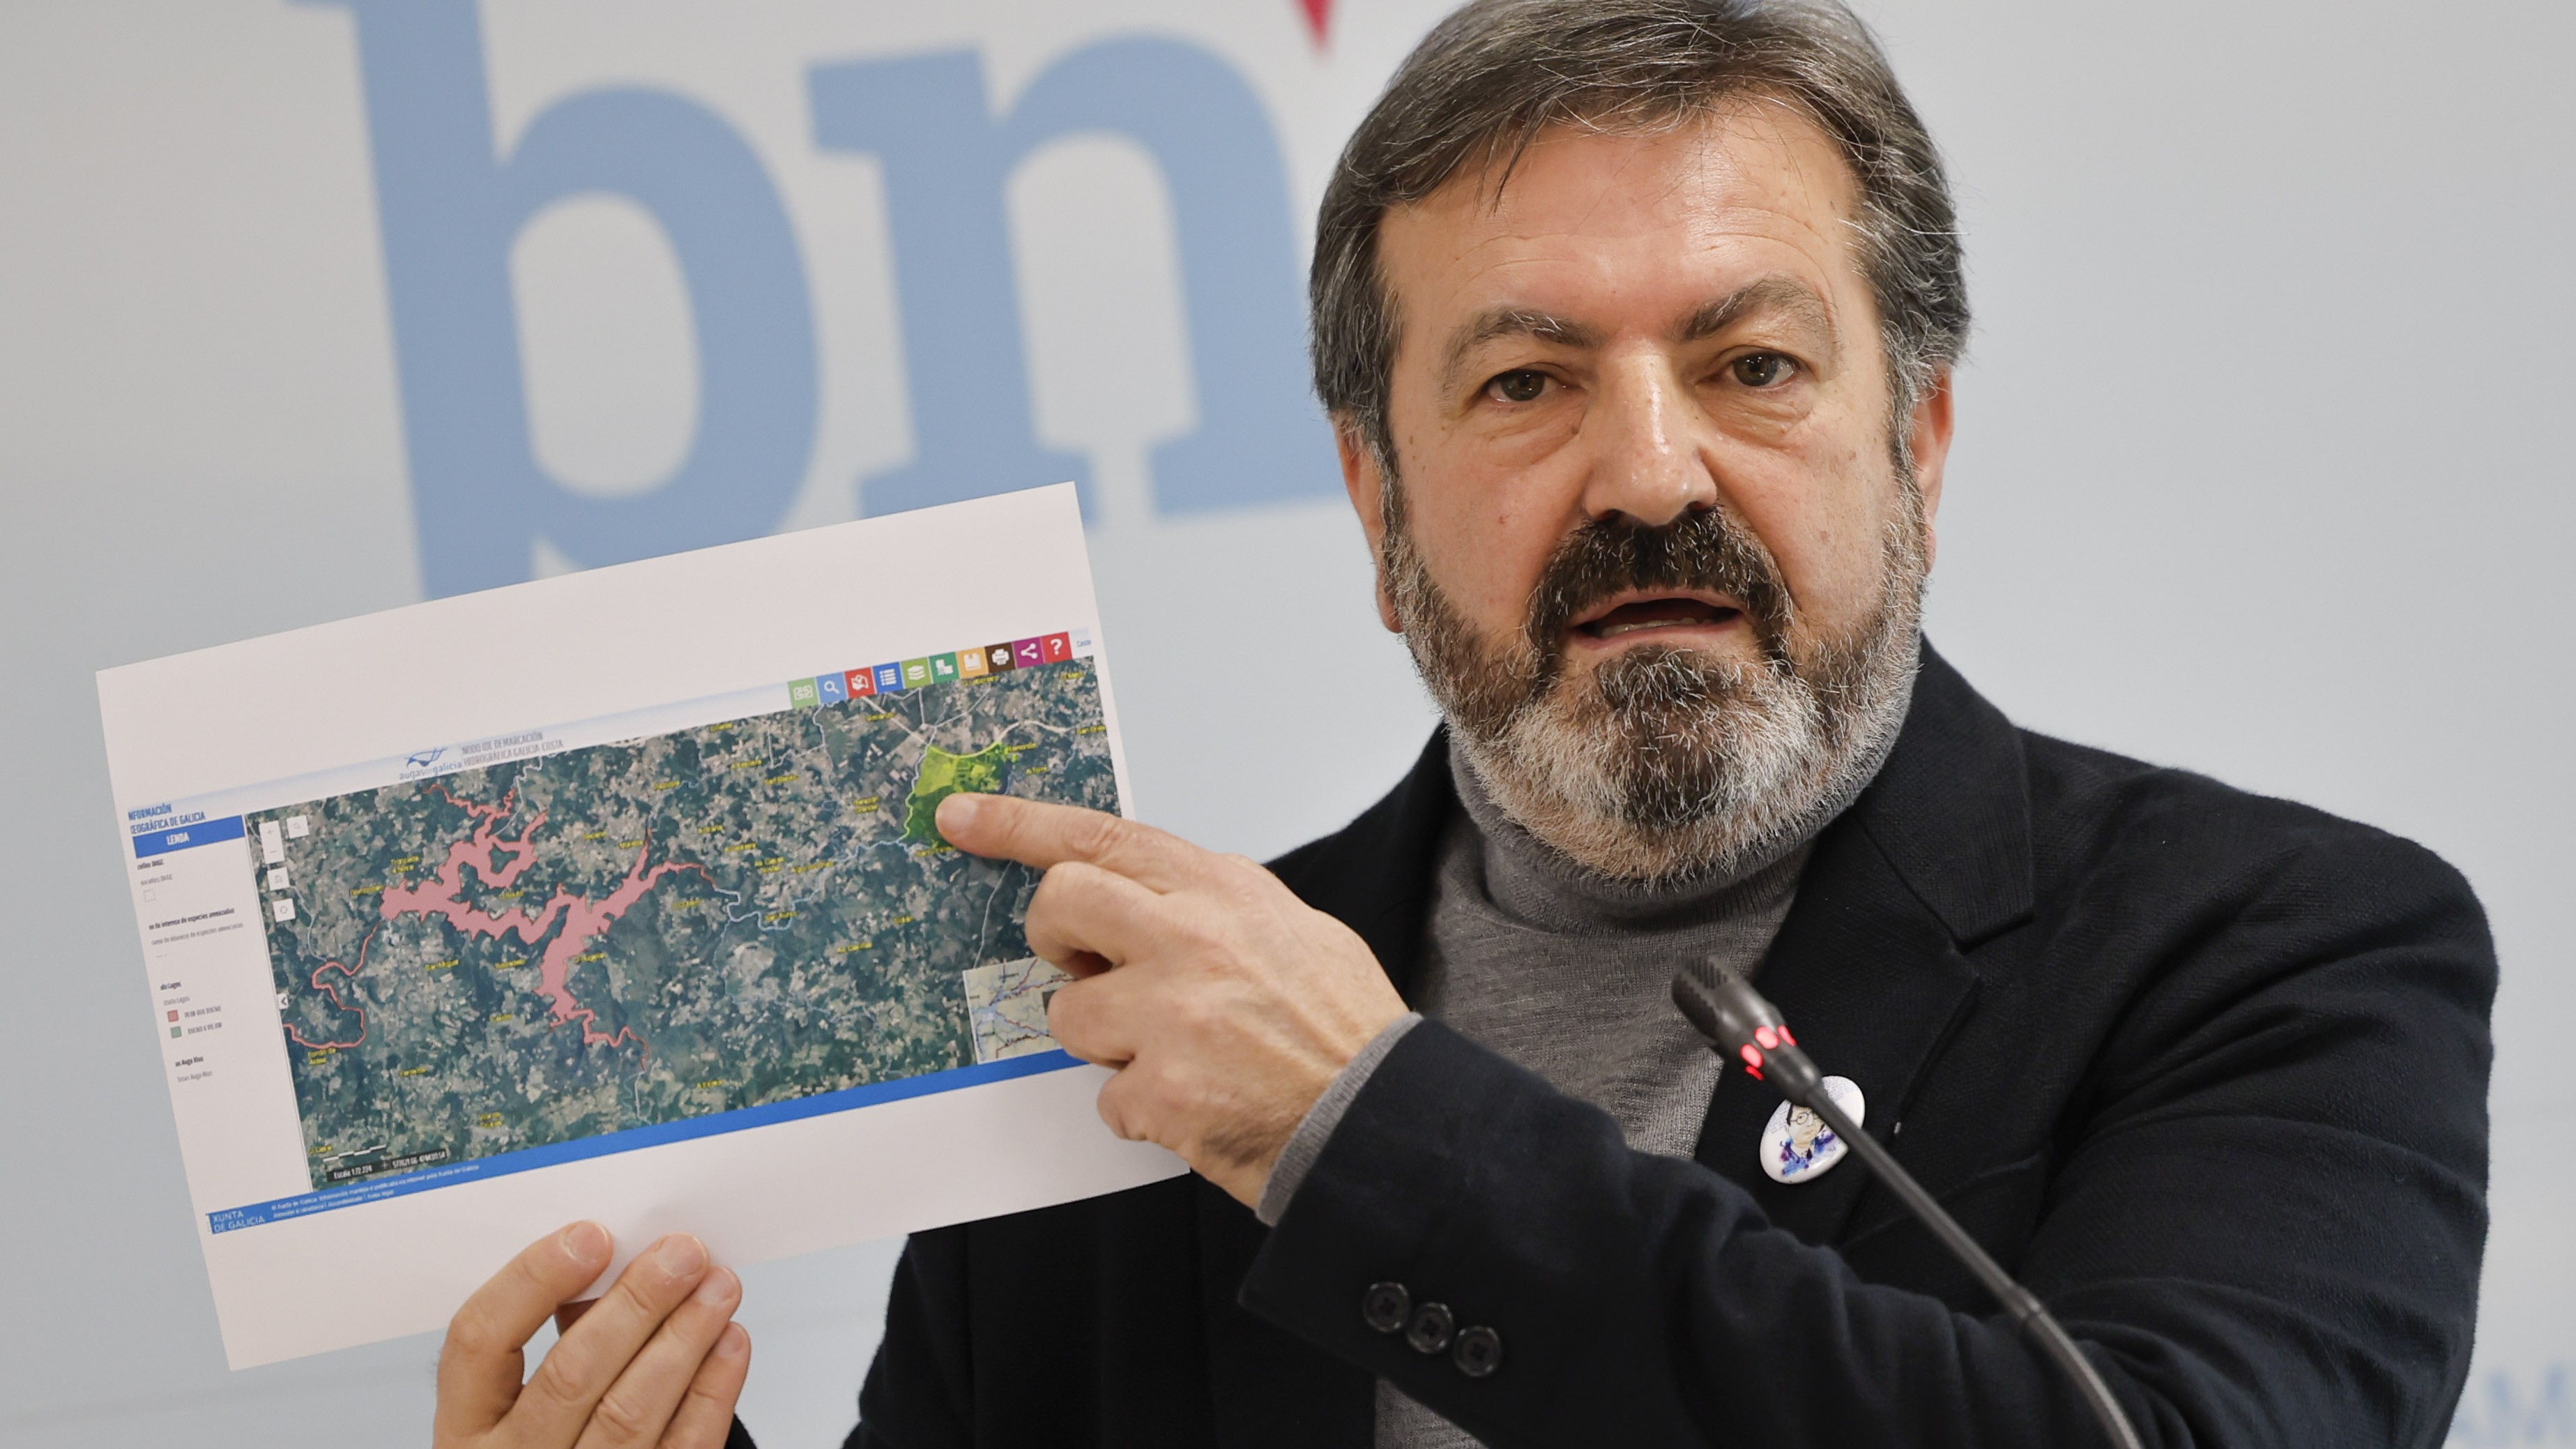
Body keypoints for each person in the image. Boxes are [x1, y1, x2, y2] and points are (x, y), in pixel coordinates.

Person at [428, 1, 2497, 1445]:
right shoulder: (1115, 1070)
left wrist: (1361, 1134)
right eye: (1523, 384)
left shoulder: (2283, 952)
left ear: (1922, 438)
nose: (1652, 476)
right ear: (1373, 490)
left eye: (1756, 364)